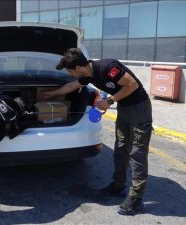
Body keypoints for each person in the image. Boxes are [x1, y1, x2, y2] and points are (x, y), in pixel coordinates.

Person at [38, 48, 153, 215]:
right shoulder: (87, 75)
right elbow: (72, 86)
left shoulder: (107, 66)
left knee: (137, 154)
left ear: (78, 68)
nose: (71, 74)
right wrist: (51, 94)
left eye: (70, 71)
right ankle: (118, 186)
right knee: (120, 149)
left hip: (139, 108)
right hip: (124, 108)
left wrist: (110, 101)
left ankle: (136, 198)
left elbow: (132, 84)